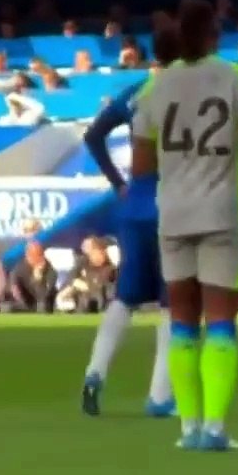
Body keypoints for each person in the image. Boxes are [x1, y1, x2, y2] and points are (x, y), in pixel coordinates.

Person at [131, 0, 238, 451]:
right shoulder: (235, 76)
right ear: (214, 35)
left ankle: (188, 428)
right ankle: (216, 427)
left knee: (183, 321)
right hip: (220, 212)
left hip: (173, 214)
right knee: (221, 321)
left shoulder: (154, 87)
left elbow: (141, 164)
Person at [81, 26, 180, 419]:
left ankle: (95, 372)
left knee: (125, 297)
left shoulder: (137, 92)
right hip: (172, 203)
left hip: (135, 203)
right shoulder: (189, 94)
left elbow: (93, 136)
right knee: (174, 302)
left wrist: (117, 182)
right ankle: (159, 395)